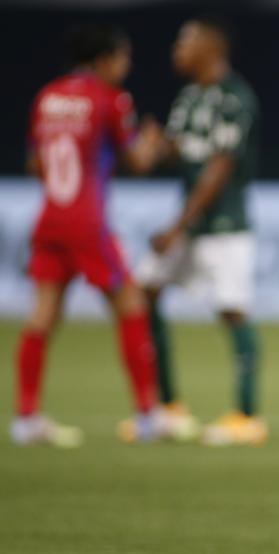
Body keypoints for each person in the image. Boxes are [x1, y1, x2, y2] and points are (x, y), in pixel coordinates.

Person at [11, 23, 175, 447]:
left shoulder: (47, 97)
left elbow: (34, 164)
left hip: (49, 218)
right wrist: (154, 144)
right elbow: (136, 161)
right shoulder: (110, 99)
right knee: (131, 304)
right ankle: (148, 415)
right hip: (87, 222)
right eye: (123, 58)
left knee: (43, 315)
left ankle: (26, 419)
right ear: (104, 60)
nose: (127, 66)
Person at [132, 15, 265, 446]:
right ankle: (169, 407)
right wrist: (154, 148)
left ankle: (247, 416)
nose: (177, 51)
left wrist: (178, 225)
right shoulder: (189, 97)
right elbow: (180, 151)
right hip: (191, 224)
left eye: (183, 43)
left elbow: (220, 167)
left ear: (210, 48)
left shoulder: (234, 98)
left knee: (232, 310)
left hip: (223, 224)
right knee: (144, 288)